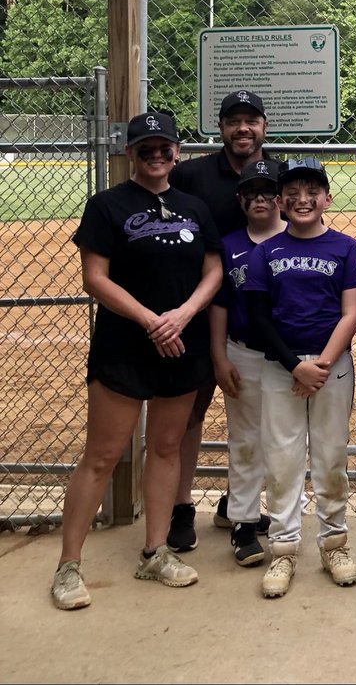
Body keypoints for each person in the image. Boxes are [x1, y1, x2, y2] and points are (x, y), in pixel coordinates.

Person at [51, 111, 223, 609]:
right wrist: (153, 321)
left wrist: (184, 315)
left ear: (177, 152)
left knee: (167, 448)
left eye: (164, 146)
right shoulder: (106, 205)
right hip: (126, 346)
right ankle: (68, 566)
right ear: (130, 153)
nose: (156, 153)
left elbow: (213, 269)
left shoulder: (193, 206)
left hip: (181, 344)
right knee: (103, 455)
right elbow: (95, 278)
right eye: (145, 146)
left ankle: (155, 550)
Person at [244, 157, 356, 598]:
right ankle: (283, 548)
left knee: (331, 457)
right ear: (279, 202)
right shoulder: (267, 251)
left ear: (327, 199)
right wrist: (294, 365)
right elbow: (258, 316)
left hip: (330, 367)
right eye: (292, 193)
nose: (302, 199)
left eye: (312, 191)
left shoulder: (346, 248)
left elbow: (352, 310)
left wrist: (321, 365)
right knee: (282, 459)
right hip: (281, 366)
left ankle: (334, 543)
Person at [168, 89, 274, 549]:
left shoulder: (280, 174)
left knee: (265, 419)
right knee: (188, 414)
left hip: (259, 323)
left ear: (264, 126)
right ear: (221, 127)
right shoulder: (191, 174)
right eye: (234, 120)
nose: (243, 128)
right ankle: (180, 506)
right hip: (197, 313)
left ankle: (238, 503)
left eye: (251, 120)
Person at [208, 158, 286, 568]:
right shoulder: (230, 244)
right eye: (251, 192)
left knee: (284, 440)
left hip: (289, 358)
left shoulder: (296, 239)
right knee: (245, 439)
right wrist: (220, 356)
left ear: (282, 198)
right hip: (243, 351)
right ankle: (242, 520)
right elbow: (219, 304)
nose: (260, 198)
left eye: (268, 191)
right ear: (240, 200)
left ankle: (281, 515)